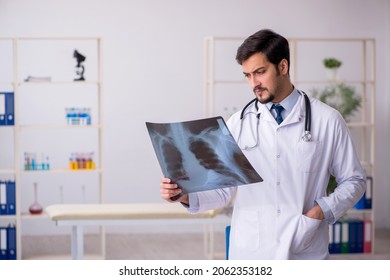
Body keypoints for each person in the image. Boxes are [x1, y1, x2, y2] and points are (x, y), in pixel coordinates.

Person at [160, 29, 366, 259]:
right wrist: (185, 196)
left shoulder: (327, 119)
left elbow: (354, 180)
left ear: (283, 66)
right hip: (250, 251)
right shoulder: (237, 123)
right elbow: (223, 191)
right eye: (247, 75)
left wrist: (322, 210)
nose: (254, 83)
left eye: (260, 72)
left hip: (303, 248)